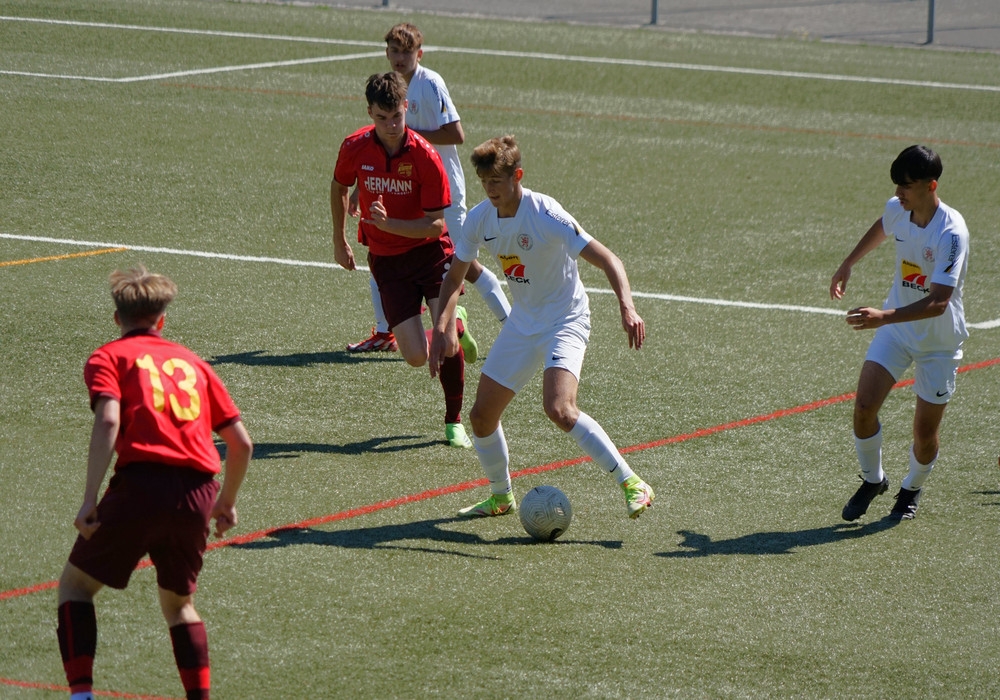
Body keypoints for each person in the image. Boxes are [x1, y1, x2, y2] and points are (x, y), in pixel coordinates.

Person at [429, 135, 655, 519]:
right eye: (484, 182)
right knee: (481, 417)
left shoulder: (546, 213)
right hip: (523, 322)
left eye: (496, 181)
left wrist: (627, 308)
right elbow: (454, 277)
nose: (489, 190)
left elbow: (608, 258)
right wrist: (440, 328)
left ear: (517, 176)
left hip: (566, 319)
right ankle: (501, 497)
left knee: (559, 408)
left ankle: (633, 482)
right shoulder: (480, 219)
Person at [56, 266, 253, 700]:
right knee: (179, 605)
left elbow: (109, 419)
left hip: (141, 486)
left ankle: (81, 694)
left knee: (75, 587)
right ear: (162, 320)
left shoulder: (108, 357)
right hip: (197, 493)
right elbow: (241, 443)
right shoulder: (194, 363)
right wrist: (225, 501)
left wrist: (89, 498)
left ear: (117, 318)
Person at [346, 22, 511, 354]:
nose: (399, 58)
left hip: (443, 194)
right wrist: (359, 189)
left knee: (467, 265)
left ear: (419, 54)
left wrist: (410, 135)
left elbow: (456, 134)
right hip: (404, 192)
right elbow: (379, 151)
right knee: (383, 255)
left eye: (406, 52)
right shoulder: (389, 90)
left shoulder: (430, 83)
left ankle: (511, 328)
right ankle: (385, 331)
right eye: (394, 51)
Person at [331, 71, 474, 448]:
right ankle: (455, 324)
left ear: (406, 108)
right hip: (387, 261)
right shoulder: (355, 147)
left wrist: (388, 222)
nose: (391, 126)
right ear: (370, 113)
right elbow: (339, 185)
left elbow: (435, 225)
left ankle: (454, 420)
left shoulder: (425, 156)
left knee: (446, 343)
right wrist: (339, 239)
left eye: (397, 116)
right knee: (414, 356)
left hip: (430, 255)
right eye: (382, 118)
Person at [830, 145, 969, 522]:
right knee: (863, 407)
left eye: (906, 186)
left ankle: (911, 489)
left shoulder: (951, 233)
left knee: (924, 435)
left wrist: (883, 317)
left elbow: (939, 302)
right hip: (897, 333)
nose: (898, 193)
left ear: (931, 185)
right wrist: (849, 262)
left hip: (938, 344)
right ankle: (873, 479)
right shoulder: (899, 209)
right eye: (896, 185)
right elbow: (883, 225)